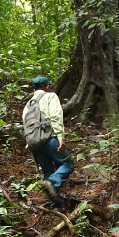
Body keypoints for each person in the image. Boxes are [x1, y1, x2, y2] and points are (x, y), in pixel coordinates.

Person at [22, 76, 74, 209]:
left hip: (35, 144)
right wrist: (60, 137)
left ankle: (56, 205)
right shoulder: (50, 96)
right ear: (47, 87)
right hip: (49, 138)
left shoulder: (27, 105)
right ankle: (53, 182)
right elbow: (56, 116)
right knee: (67, 164)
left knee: (47, 170)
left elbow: (26, 126)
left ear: (34, 89)